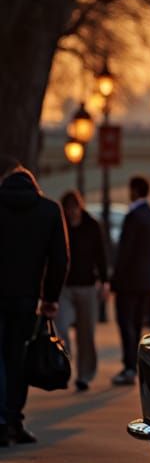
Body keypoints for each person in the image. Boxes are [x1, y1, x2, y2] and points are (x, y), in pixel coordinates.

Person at [0, 156, 68, 447]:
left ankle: (1, 421)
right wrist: (50, 297)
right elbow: (60, 259)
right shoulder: (49, 210)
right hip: (27, 297)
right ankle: (13, 418)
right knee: (18, 358)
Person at [110, 175, 150, 385]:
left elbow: (125, 252)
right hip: (147, 280)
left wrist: (115, 279)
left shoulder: (133, 217)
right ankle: (136, 365)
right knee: (138, 324)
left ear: (134, 190)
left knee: (125, 323)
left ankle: (129, 366)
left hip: (129, 281)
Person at [56, 190, 108, 392]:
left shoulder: (92, 226)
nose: (71, 213)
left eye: (74, 208)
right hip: (65, 286)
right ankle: (64, 364)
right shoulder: (60, 226)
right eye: (68, 209)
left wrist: (105, 281)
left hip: (87, 285)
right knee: (61, 326)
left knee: (87, 334)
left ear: (80, 206)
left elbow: (100, 255)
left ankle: (85, 375)